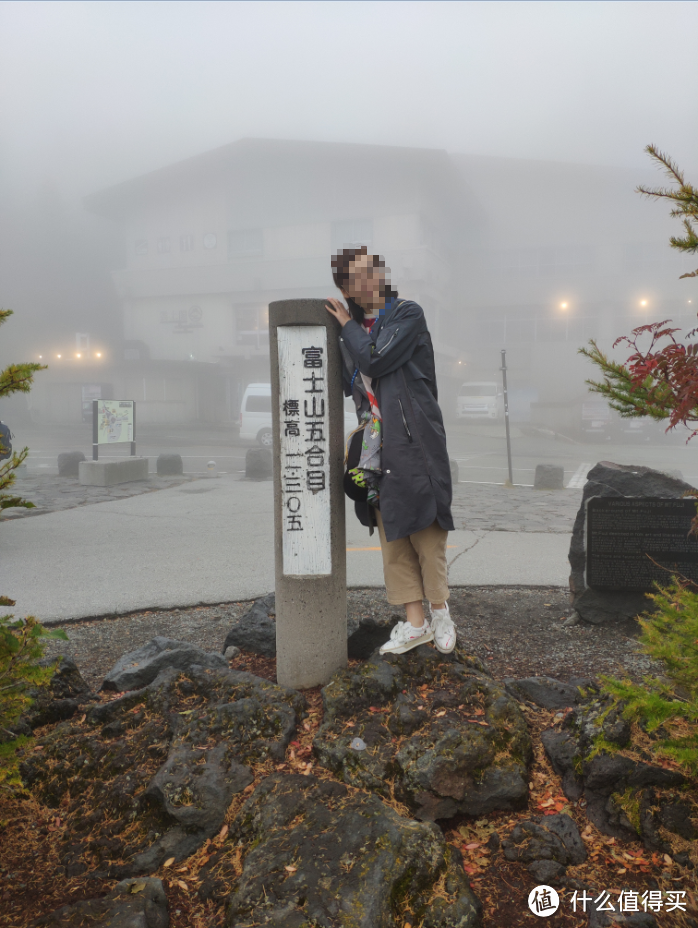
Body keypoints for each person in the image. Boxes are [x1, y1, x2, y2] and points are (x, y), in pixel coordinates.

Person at [325, 246, 457, 656]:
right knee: (391, 530)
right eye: (352, 278)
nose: (363, 282)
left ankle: (441, 614)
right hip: (376, 443)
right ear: (344, 287)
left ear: (380, 273)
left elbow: (376, 360)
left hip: (414, 435)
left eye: (368, 271)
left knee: (426, 526)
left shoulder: (406, 314)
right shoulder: (347, 331)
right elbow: (354, 386)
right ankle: (415, 622)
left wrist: (347, 324)